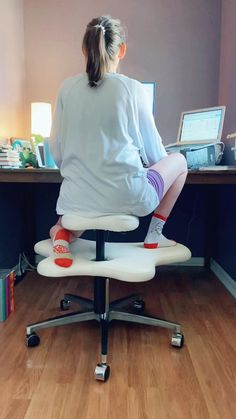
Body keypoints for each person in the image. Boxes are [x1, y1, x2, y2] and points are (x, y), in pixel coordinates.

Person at [49, 15, 188, 268]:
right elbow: (157, 155)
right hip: (127, 197)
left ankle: (61, 233)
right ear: (121, 50)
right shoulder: (132, 89)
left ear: (84, 49)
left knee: (83, 212)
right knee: (179, 161)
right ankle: (154, 237)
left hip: (75, 200)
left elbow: (56, 151)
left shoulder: (66, 88)